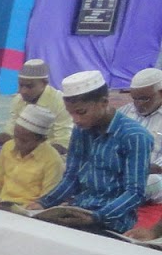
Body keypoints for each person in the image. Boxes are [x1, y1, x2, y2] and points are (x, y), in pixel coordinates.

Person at [28, 70, 151, 232]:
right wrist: (43, 203)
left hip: (113, 224)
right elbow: (71, 177)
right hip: (79, 211)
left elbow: (135, 193)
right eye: (71, 113)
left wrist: (97, 217)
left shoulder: (134, 136)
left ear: (103, 102)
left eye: (81, 112)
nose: (76, 120)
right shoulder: (81, 130)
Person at [0, 105, 64, 207]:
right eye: (15, 136)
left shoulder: (53, 161)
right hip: (1, 206)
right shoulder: (8, 147)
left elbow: (46, 200)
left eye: (24, 141)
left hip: (28, 211)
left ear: (41, 140)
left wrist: (18, 209)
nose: (17, 143)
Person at [0, 59, 71, 149]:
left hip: (51, 154)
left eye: (29, 86)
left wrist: (36, 154)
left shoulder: (60, 102)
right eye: (21, 85)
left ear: (44, 83)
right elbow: (10, 134)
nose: (23, 91)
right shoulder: (18, 100)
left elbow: (63, 143)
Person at [115, 66, 162, 201]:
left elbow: (159, 167)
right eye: (134, 98)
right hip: (119, 172)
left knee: (152, 183)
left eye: (144, 99)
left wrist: (134, 169)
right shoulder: (124, 112)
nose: (138, 104)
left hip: (152, 175)